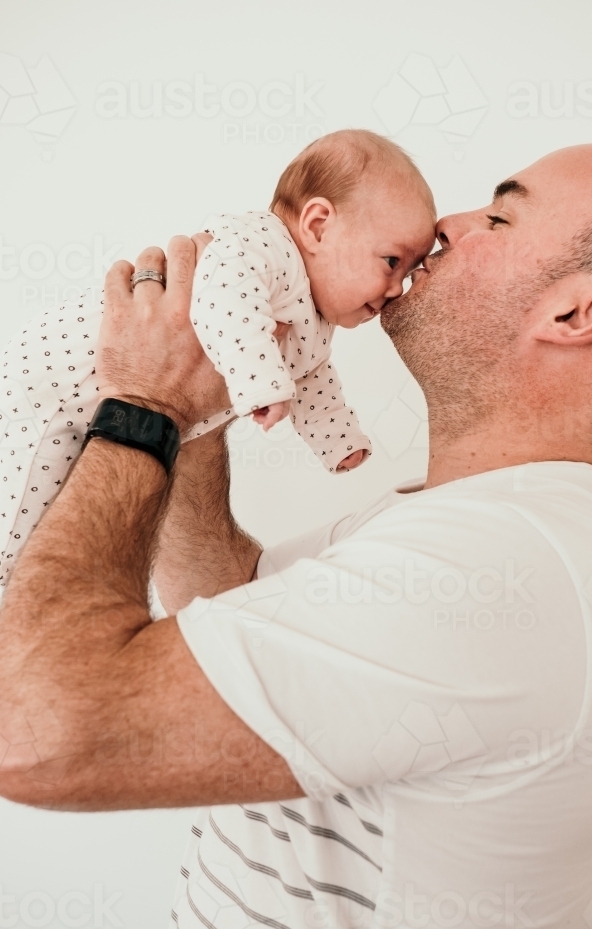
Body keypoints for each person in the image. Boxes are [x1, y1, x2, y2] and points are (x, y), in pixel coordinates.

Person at [1, 125, 592, 929]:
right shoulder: (489, 537)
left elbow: (34, 733)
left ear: (577, 312)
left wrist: (143, 405)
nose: (448, 225)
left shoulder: (492, 574)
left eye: (498, 219)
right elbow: (226, 603)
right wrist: (195, 411)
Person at [0, 129, 436, 589]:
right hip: (58, 383)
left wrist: (338, 440)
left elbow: (315, 381)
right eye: (391, 262)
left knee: (69, 537)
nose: (396, 289)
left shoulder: (313, 319)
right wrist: (260, 382)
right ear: (318, 225)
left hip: (110, 407)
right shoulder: (261, 245)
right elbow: (224, 301)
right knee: (22, 521)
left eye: (409, 272)